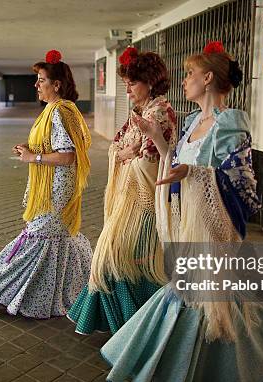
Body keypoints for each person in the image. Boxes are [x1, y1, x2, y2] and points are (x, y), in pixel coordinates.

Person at [99, 41, 263, 382]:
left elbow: (243, 184)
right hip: (187, 219)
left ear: (208, 78)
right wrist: (153, 136)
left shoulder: (231, 122)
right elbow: (174, 161)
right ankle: (221, 365)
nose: (184, 81)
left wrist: (194, 173)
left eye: (190, 74)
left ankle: (170, 368)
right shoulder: (195, 121)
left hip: (212, 224)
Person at [0, 50, 92, 319]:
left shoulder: (61, 112)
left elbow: (68, 155)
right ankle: (85, 287)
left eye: (41, 80)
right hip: (52, 185)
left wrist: (34, 156)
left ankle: (4, 291)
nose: (36, 85)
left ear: (57, 85)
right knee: (58, 240)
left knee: (40, 239)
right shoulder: (56, 110)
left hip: (56, 189)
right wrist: (32, 149)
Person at [67, 47, 177, 334]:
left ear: (150, 82)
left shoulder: (161, 113)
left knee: (123, 259)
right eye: (126, 83)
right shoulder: (139, 113)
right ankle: (130, 325)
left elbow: (153, 158)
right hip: (128, 199)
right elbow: (118, 146)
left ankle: (140, 325)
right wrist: (129, 151)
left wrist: (131, 152)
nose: (128, 89)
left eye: (132, 83)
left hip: (145, 201)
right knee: (117, 259)